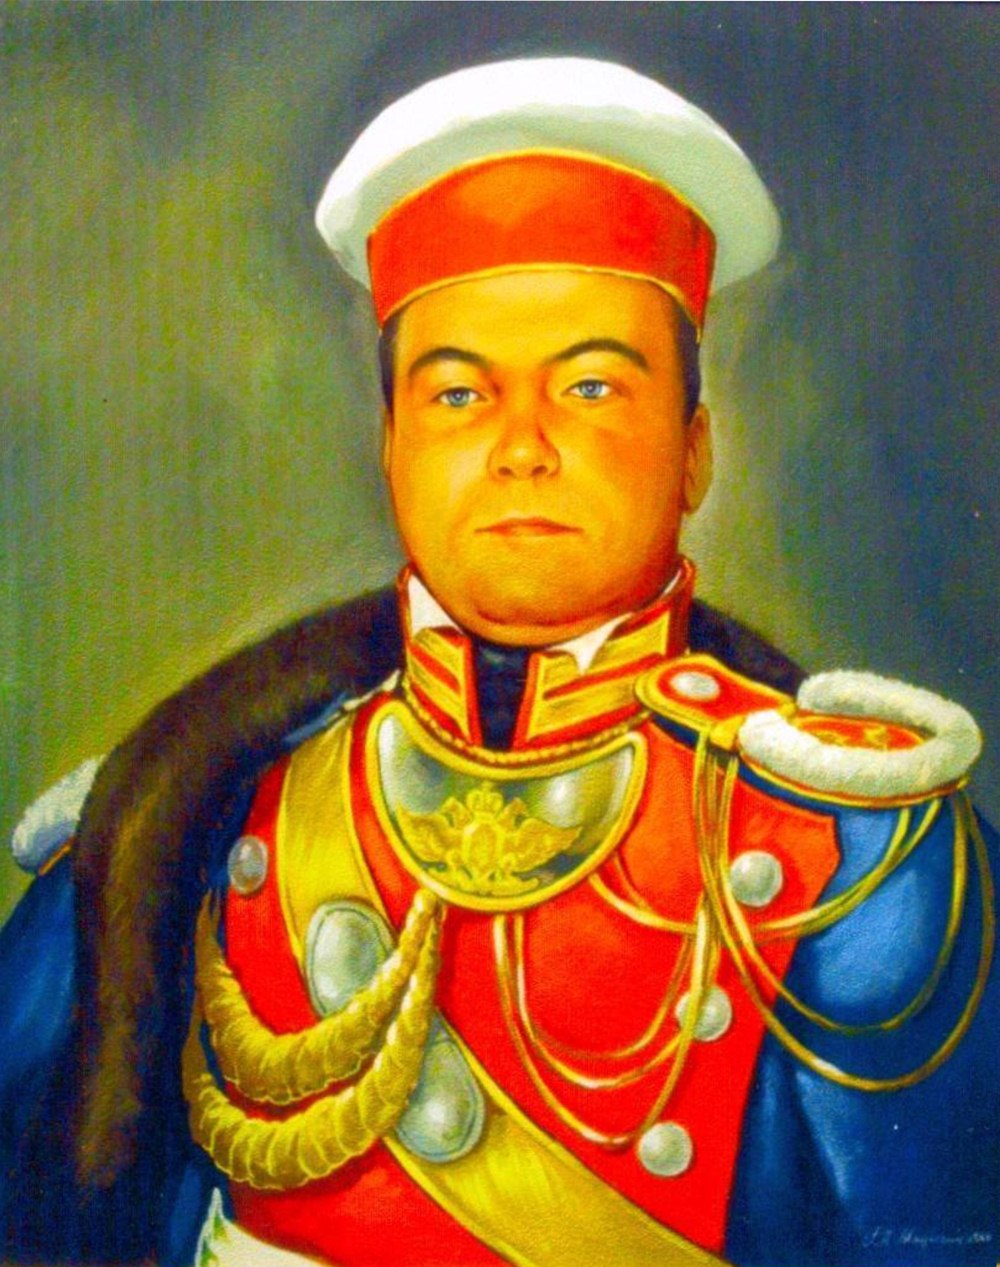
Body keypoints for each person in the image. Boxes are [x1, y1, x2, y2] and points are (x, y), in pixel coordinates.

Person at [1, 57, 996, 1267]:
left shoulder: (862, 858)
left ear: (693, 450)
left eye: (589, 386)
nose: (522, 446)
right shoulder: (192, 815)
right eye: (460, 395)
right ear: (391, 447)